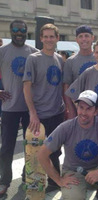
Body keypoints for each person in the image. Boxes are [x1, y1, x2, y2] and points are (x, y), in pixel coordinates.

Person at [38, 90, 98, 200]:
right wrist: (58, 180)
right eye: (81, 107)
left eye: (88, 109)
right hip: (74, 174)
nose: (83, 112)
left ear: (96, 111)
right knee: (73, 197)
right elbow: (42, 154)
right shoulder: (65, 127)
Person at [23, 23, 65, 191]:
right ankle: (29, 182)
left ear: (57, 38)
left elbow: (62, 86)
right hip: (39, 115)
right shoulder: (33, 59)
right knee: (34, 152)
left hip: (57, 112)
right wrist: (32, 113)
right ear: (40, 38)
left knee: (54, 150)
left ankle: (55, 182)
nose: (48, 39)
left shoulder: (60, 59)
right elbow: (26, 87)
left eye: (51, 36)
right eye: (45, 36)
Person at [0, 19, 38, 197]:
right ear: (10, 31)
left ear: (26, 31)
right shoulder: (2, 51)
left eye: (22, 30)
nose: (19, 32)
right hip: (9, 108)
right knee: (6, 148)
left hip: (30, 108)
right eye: (15, 29)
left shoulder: (34, 53)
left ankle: (27, 176)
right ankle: (4, 181)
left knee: (30, 147)